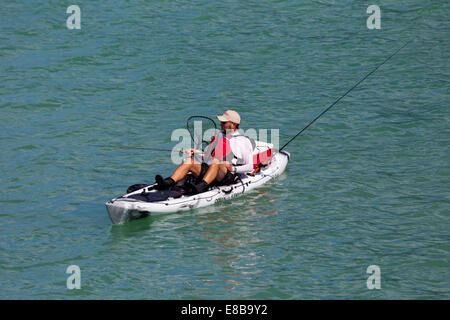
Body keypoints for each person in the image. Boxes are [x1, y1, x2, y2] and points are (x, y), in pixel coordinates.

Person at [155, 110, 255, 194]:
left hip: (225, 175)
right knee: (188, 161)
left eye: (224, 123)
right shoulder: (219, 136)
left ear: (233, 125)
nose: (221, 124)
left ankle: (200, 187)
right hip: (209, 170)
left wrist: (232, 168)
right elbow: (208, 157)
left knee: (216, 162)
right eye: (221, 122)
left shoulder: (243, 141)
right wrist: (196, 152)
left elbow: (250, 166)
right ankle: (167, 182)